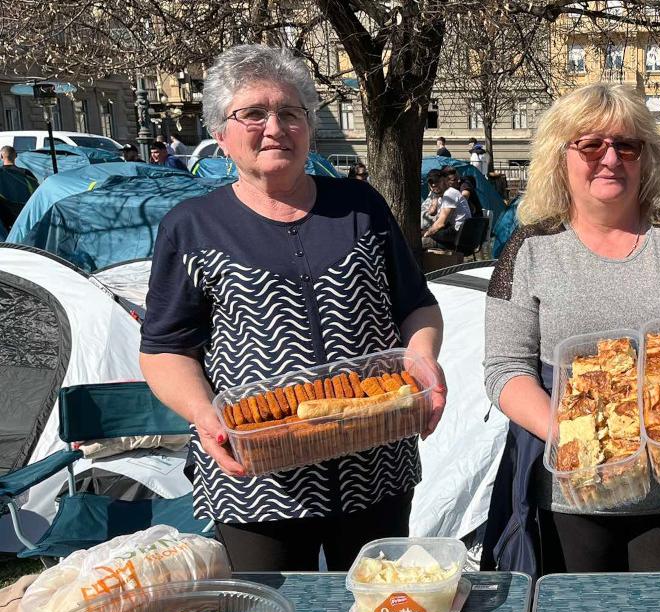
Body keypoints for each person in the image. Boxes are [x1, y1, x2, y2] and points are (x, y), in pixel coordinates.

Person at [139, 44, 447, 572]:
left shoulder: (361, 206)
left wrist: (422, 358)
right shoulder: (192, 226)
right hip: (256, 477)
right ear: (220, 133)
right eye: (253, 113)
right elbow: (165, 349)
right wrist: (205, 415)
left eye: (290, 111)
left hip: (374, 462)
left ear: (307, 125)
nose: (274, 126)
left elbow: (416, 305)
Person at [482, 82, 660, 576]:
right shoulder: (529, 248)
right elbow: (504, 369)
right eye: (591, 144)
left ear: (647, 157)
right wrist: (575, 438)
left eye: (627, 145)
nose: (610, 159)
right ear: (561, 156)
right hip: (573, 493)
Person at [420, 169, 471, 248]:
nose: (434, 185)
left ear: (445, 180)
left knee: (414, 244)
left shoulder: (450, 194)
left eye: (437, 182)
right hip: (458, 237)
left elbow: (440, 224)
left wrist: (426, 234)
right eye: (431, 183)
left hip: (458, 239)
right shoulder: (444, 196)